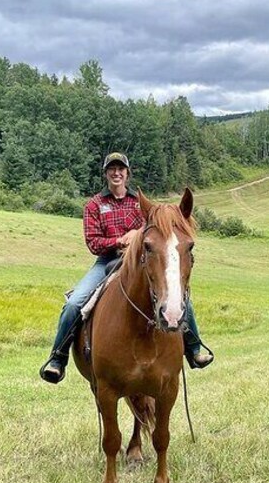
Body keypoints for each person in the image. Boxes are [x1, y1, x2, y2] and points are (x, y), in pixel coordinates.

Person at [39, 152, 213, 384]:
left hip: (137, 263)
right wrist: (120, 240)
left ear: (127, 173)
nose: (116, 172)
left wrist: (139, 236)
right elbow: (93, 243)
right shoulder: (94, 205)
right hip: (106, 262)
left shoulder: (140, 204)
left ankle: (193, 348)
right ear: (106, 174)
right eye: (112, 169)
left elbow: (158, 235)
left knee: (177, 297)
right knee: (74, 303)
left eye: (121, 169)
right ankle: (58, 358)